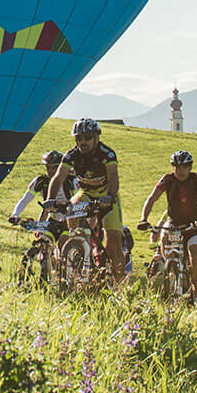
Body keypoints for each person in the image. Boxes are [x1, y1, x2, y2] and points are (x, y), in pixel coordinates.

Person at [52, 119, 124, 280]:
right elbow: (58, 177)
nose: (83, 142)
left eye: (87, 137)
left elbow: (113, 176)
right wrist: (50, 200)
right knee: (72, 209)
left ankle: (121, 287)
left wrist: (110, 196)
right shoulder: (71, 155)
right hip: (86, 193)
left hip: (106, 194)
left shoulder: (107, 153)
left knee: (113, 244)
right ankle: (79, 250)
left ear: (96, 138)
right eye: (79, 138)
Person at [138, 149, 197, 299]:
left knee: (195, 256)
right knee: (165, 241)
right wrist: (143, 219)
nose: (180, 170)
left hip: (194, 225)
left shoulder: (196, 179)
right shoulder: (167, 179)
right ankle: (169, 270)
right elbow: (152, 199)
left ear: (189, 167)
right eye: (177, 167)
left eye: (184, 167)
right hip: (174, 223)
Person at [10, 150, 67, 225]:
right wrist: (15, 214)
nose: (50, 171)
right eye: (48, 167)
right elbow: (24, 200)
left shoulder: (71, 180)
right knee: (41, 235)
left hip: (72, 220)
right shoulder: (40, 181)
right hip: (52, 219)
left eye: (54, 168)